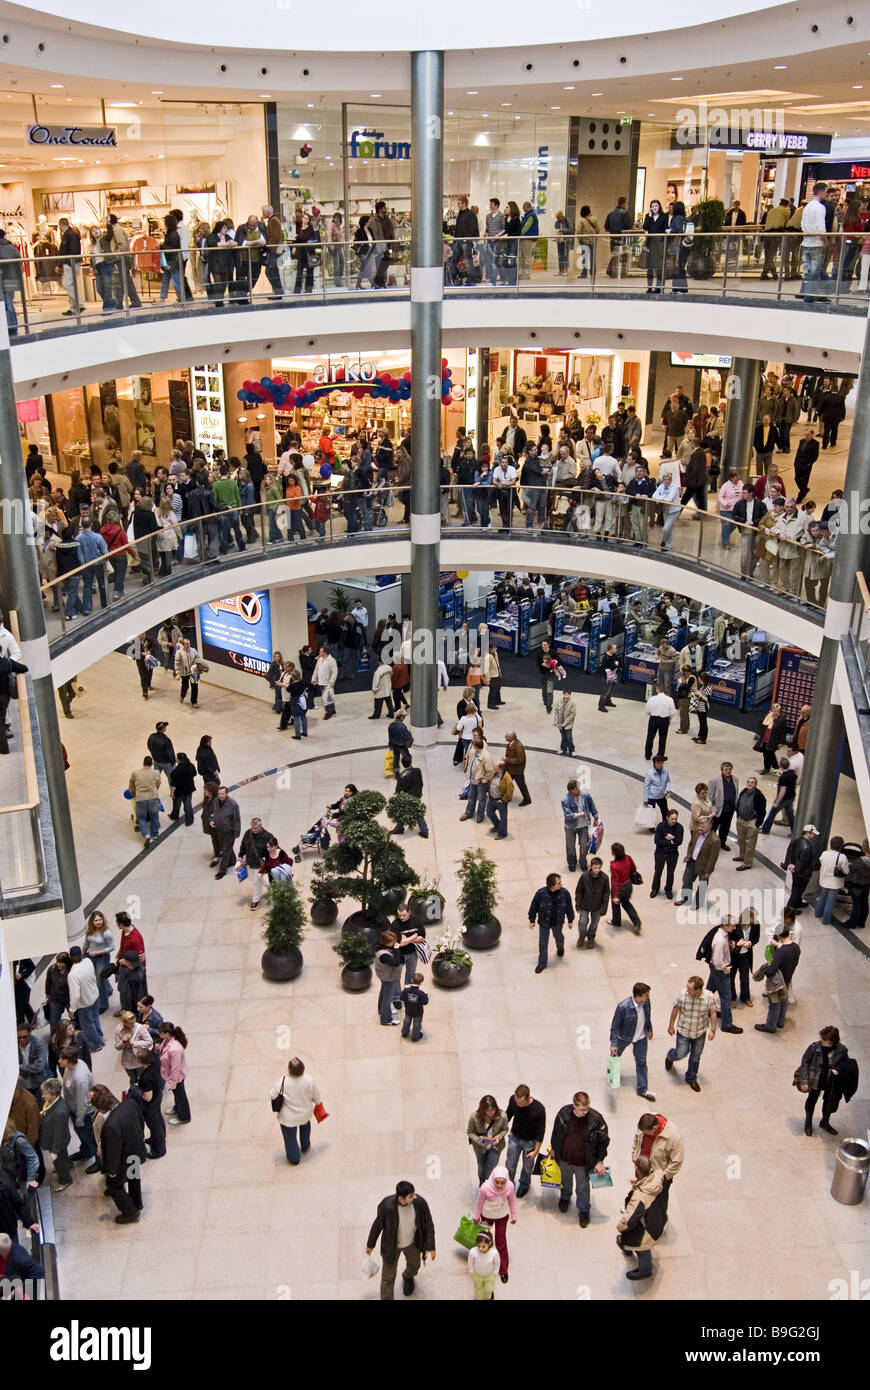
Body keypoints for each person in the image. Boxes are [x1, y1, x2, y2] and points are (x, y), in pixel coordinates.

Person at [366, 1180, 436, 1300]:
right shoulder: (387, 1207)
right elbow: (377, 1224)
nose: (415, 1197)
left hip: (413, 1243)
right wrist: (370, 1244)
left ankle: (408, 1276)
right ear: (401, 1198)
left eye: (414, 1194)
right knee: (388, 1278)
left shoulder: (419, 1203)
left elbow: (428, 1223)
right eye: (410, 1196)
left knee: (415, 1265)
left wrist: (431, 1246)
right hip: (392, 1246)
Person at [550, 1091, 610, 1227]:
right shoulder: (563, 1114)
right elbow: (556, 1132)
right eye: (582, 1109)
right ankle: (565, 1197)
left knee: (583, 1187)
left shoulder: (596, 1119)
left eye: (587, 1108)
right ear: (574, 1106)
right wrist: (554, 1148)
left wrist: (600, 1161)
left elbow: (604, 1141)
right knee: (565, 1179)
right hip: (564, 1158)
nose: (585, 1112)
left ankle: (583, 1210)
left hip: (583, 1162)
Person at [90, 1084, 146, 1224]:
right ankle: (137, 1202)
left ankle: (130, 1211)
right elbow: (140, 1122)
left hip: (123, 1159)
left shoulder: (110, 1125)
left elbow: (113, 1150)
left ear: (100, 1108)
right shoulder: (130, 1104)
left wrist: (111, 1171)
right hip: (136, 1151)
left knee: (114, 1186)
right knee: (134, 1177)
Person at [616, 1155, 668, 1281]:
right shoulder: (658, 1175)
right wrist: (639, 1183)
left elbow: (627, 1222)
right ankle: (628, 1248)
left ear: (637, 1169)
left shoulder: (640, 1197)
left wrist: (620, 1226)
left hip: (648, 1230)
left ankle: (645, 1270)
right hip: (659, 1218)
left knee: (642, 1249)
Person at [665, 976, 718, 1091]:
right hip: (684, 1031)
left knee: (695, 1057)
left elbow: (713, 1012)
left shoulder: (709, 997)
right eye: (687, 987)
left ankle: (691, 1078)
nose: (687, 990)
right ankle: (670, 1056)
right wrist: (671, 1025)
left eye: (690, 989)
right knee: (681, 1053)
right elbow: (675, 1009)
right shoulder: (682, 995)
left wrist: (713, 1029)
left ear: (698, 990)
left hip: (700, 1032)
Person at [797, 1026, 851, 1136]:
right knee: (811, 1100)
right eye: (822, 1039)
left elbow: (846, 1063)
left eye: (825, 1041)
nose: (823, 1042)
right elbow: (805, 1062)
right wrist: (804, 1081)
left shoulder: (841, 1050)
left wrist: (838, 1070)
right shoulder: (814, 1047)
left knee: (829, 1102)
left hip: (831, 1081)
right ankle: (808, 1122)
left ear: (833, 1041)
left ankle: (825, 1122)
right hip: (816, 1079)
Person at [270, 1056, 322, 1165]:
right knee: (305, 1128)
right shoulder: (309, 1080)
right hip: (305, 1113)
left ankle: (294, 1158)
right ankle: (305, 1146)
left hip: (288, 1118)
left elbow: (273, 1094)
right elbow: (316, 1095)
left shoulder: (282, 1082)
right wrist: (318, 1103)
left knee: (290, 1137)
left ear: (289, 1070)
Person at [610, 984, 656, 1101]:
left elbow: (647, 1017)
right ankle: (613, 1076)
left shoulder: (646, 1002)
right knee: (615, 1056)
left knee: (641, 1062)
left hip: (640, 1037)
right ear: (638, 996)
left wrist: (649, 1030)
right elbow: (615, 1027)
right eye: (646, 995)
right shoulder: (623, 1007)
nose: (648, 997)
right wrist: (614, 1043)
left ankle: (642, 1089)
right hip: (624, 1037)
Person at [753, 924, 801, 1034]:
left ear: (779, 935)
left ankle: (770, 1026)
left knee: (774, 1003)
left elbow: (771, 972)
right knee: (784, 999)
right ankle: (781, 1021)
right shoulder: (796, 947)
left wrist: (766, 968)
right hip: (788, 978)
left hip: (778, 981)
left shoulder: (781, 952)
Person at [473, 1166, 516, 1284]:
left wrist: (514, 1215)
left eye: (502, 1183)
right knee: (485, 1240)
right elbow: (479, 1203)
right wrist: (476, 1216)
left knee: (501, 1241)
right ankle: (484, 1264)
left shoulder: (510, 1187)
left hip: (502, 1216)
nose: (499, 1186)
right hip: (487, 1215)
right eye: (497, 1182)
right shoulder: (485, 1188)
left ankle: (503, 1270)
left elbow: (512, 1201)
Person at [58, 1046, 99, 1169]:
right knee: (82, 1136)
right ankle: (86, 1151)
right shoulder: (71, 1067)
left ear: (69, 1060)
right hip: (74, 1108)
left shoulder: (80, 1078)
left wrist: (79, 1119)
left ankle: (98, 1160)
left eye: (62, 1059)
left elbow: (82, 1101)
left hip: (84, 1113)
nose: (59, 1060)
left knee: (90, 1137)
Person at [504, 1085, 546, 1199]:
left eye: (520, 1103)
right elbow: (508, 1114)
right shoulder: (513, 1100)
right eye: (517, 1101)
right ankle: (509, 1185)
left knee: (527, 1166)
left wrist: (536, 1151)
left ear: (528, 1098)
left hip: (530, 1142)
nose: (518, 1105)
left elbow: (540, 1132)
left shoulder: (538, 1110)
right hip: (515, 1137)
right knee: (510, 1164)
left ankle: (524, 1183)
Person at [529, 872, 575, 973]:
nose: (561, 884)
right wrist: (532, 920)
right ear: (552, 885)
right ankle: (542, 963)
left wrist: (570, 920)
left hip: (557, 922)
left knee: (559, 937)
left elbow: (569, 907)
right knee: (543, 944)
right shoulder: (541, 894)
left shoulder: (565, 893)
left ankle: (560, 948)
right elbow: (534, 907)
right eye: (559, 883)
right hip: (544, 922)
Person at [38, 1078, 73, 1193]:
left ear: (53, 1094)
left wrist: (54, 1151)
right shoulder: (52, 1102)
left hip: (58, 1142)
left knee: (59, 1162)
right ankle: (67, 1165)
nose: (43, 1096)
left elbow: (58, 1133)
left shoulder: (59, 1112)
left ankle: (65, 1179)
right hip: (56, 1139)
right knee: (63, 1159)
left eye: (46, 1094)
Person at [67, 946, 103, 1054]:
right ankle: (100, 1038)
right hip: (94, 995)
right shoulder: (88, 961)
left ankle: (95, 1044)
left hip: (84, 1002)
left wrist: (72, 1010)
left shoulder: (72, 975)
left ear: (71, 957)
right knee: (95, 1017)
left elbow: (75, 995)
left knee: (87, 1024)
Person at [631, 1112, 685, 1186]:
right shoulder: (644, 1125)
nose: (644, 1134)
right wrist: (634, 1156)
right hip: (643, 1170)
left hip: (659, 1177)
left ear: (654, 1127)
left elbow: (677, 1162)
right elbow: (637, 1139)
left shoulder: (674, 1137)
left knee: (658, 1197)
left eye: (646, 1132)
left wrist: (662, 1177)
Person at [679, 816, 720, 909]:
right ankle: (686, 899)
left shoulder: (715, 840)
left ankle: (698, 903)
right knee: (686, 880)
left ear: (710, 826)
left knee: (702, 885)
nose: (700, 828)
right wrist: (688, 855)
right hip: (692, 861)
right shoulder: (697, 831)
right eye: (700, 826)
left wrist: (708, 871)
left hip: (704, 866)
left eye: (703, 827)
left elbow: (713, 858)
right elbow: (691, 844)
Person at [467, 1095, 509, 1183]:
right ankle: (482, 1183)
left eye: (493, 1110)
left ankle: (487, 1185)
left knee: (490, 1170)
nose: (491, 1113)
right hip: (480, 1147)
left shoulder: (502, 1116)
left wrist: (498, 1138)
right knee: (481, 1168)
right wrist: (478, 1140)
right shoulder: (474, 1117)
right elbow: (470, 1132)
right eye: (488, 1110)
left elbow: (505, 1129)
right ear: (483, 1110)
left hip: (495, 1146)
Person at [561, 778, 599, 873]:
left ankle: (583, 862)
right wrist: (579, 814)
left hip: (583, 826)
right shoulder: (565, 800)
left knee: (584, 846)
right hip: (570, 827)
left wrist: (596, 817)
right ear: (571, 791)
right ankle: (572, 863)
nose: (579, 790)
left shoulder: (585, 796)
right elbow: (568, 815)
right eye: (576, 789)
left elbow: (592, 806)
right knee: (570, 846)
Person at [158, 1022, 190, 1125]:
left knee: (181, 1096)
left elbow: (175, 1069)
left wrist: (172, 1083)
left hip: (177, 1078)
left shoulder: (175, 1049)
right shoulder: (167, 1041)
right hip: (171, 1076)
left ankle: (184, 1116)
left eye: (161, 1033)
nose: (159, 1035)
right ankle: (177, 1108)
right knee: (177, 1095)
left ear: (166, 1034)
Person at [574, 857, 610, 949]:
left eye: (599, 867)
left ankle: (591, 938)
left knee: (594, 924)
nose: (597, 870)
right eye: (595, 867)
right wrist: (578, 904)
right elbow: (579, 891)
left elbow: (606, 894)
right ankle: (582, 937)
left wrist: (604, 908)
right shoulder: (584, 876)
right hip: (585, 905)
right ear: (591, 867)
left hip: (597, 906)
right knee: (582, 923)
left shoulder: (605, 878)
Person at [814, 835, 850, 925]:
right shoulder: (842, 857)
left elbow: (821, 861)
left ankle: (817, 913)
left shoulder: (824, 853)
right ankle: (826, 920)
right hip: (835, 883)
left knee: (822, 897)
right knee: (830, 901)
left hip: (824, 880)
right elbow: (846, 871)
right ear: (841, 846)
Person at [128, 755, 161, 850]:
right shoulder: (156, 772)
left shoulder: (135, 773)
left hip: (140, 798)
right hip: (152, 797)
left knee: (141, 818)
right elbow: (158, 783)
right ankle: (154, 834)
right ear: (152, 764)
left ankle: (146, 834)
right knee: (154, 816)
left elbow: (131, 785)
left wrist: (134, 794)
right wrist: (155, 791)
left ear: (143, 763)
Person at [651, 809, 684, 899]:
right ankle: (655, 888)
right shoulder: (661, 826)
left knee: (670, 872)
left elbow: (679, 842)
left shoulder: (679, 827)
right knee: (658, 871)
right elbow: (657, 840)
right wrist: (671, 841)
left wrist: (673, 839)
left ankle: (668, 889)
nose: (674, 821)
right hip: (660, 852)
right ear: (667, 818)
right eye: (672, 819)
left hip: (672, 853)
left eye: (676, 819)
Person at [609, 843, 642, 933]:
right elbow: (634, 868)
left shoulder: (614, 865)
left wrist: (615, 896)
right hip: (628, 885)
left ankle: (616, 921)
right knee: (626, 904)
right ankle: (637, 922)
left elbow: (615, 882)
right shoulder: (628, 858)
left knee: (615, 905)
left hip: (620, 888)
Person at [761, 757, 797, 836]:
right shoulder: (792, 773)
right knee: (790, 815)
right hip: (791, 797)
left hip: (784, 799)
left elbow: (782, 791)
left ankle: (765, 829)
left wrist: (777, 802)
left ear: (780, 766)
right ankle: (795, 832)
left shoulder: (783, 777)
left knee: (772, 813)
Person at [210, 786, 241, 879]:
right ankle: (232, 860)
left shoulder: (233, 804)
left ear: (226, 793)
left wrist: (237, 832)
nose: (221, 795)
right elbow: (211, 813)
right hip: (219, 830)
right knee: (225, 847)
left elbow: (237, 819)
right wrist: (211, 820)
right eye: (219, 794)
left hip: (229, 831)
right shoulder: (215, 801)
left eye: (223, 793)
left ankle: (222, 871)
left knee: (226, 850)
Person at [708, 761, 739, 847]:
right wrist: (713, 810)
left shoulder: (735, 779)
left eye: (729, 769)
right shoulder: (714, 780)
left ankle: (722, 843)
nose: (728, 771)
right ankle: (710, 844)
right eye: (726, 769)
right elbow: (709, 798)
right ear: (722, 770)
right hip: (718, 810)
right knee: (713, 828)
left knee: (725, 828)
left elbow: (736, 793)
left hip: (729, 810)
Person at [642, 199, 668, 292]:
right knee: (649, 266)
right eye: (652, 206)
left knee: (659, 266)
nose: (654, 208)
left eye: (656, 206)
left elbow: (665, 228)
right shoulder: (648, 216)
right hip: (650, 243)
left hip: (660, 243)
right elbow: (645, 227)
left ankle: (658, 287)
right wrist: (649, 216)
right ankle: (649, 287)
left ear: (659, 206)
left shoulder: (664, 216)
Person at [644, 685, 675, 761]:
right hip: (664, 720)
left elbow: (647, 710)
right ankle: (660, 755)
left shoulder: (652, 699)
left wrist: (650, 714)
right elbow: (673, 712)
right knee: (662, 738)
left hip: (653, 719)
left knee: (650, 737)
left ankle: (648, 755)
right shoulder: (670, 699)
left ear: (657, 690)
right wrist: (669, 717)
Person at [467, 1229, 499, 1300]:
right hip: (477, 1275)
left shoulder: (494, 1253)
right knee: (479, 1292)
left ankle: (489, 1295)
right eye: (478, 1246)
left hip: (490, 1275)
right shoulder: (472, 1252)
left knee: (488, 1291)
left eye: (483, 1246)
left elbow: (497, 1263)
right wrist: (472, 1273)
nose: (480, 1249)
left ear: (489, 1243)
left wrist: (494, 1273)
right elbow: (470, 1263)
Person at [485, 758, 513, 839]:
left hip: (501, 801)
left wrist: (503, 800)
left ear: (500, 768)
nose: (493, 768)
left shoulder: (507, 778)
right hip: (492, 799)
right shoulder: (494, 773)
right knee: (489, 813)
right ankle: (497, 826)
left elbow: (510, 791)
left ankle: (502, 833)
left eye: (495, 767)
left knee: (503, 818)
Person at [643, 755, 671, 822]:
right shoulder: (649, 773)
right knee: (651, 812)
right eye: (658, 763)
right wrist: (645, 800)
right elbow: (646, 787)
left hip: (662, 796)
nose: (660, 765)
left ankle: (666, 824)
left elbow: (668, 781)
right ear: (654, 763)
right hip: (651, 797)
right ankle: (651, 826)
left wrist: (667, 790)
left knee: (665, 811)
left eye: (661, 763)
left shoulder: (665, 770)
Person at [313, 645, 338, 720]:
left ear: (325, 652)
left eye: (320, 651)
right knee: (329, 697)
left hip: (328, 682)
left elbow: (334, 671)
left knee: (325, 698)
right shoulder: (319, 659)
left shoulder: (331, 660)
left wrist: (332, 680)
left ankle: (328, 712)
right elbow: (316, 669)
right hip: (321, 681)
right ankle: (332, 709)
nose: (319, 652)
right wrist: (314, 678)